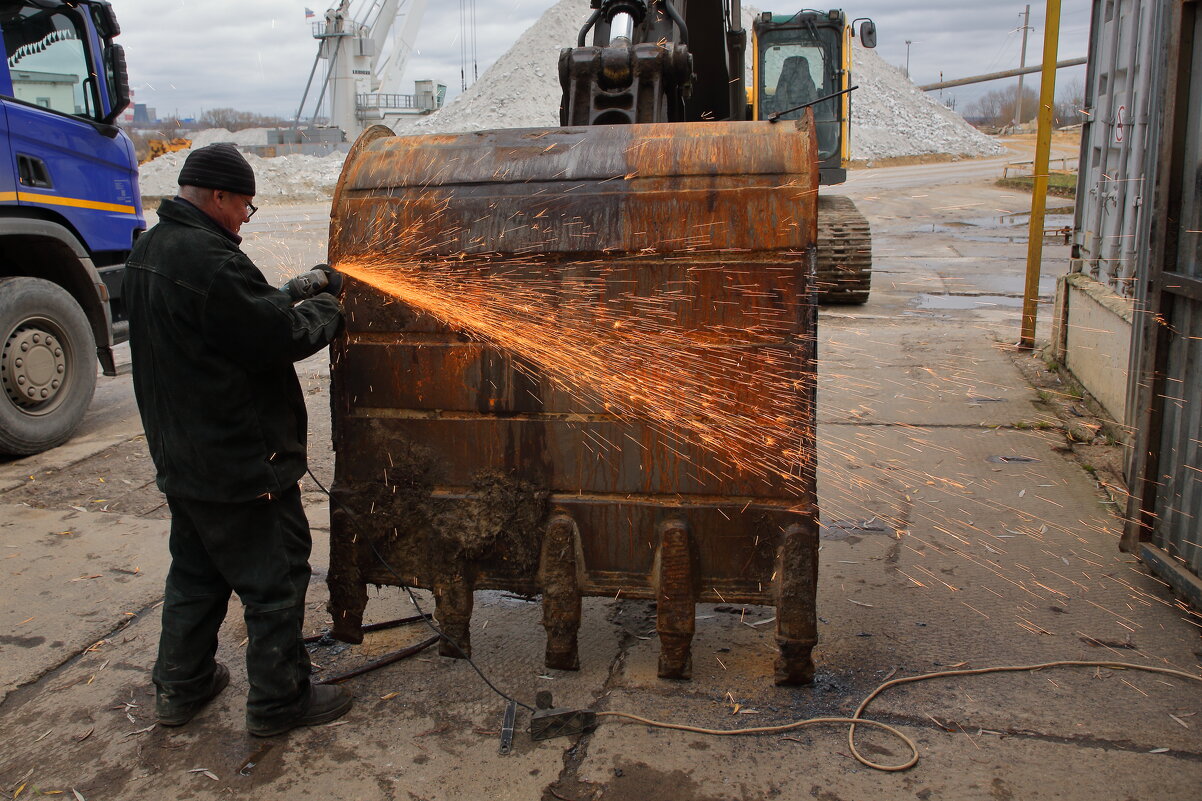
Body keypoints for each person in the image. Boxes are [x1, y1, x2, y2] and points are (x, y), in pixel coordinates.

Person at [124, 143, 350, 737]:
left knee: (196, 575)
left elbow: (224, 320)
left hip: (184, 459)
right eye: (245, 208)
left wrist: (297, 285)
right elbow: (272, 338)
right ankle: (280, 703)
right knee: (275, 578)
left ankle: (181, 687)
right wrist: (328, 308)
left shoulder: (151, 248)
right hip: (241, 464)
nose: (245, 220)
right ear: (219, 196)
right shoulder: (212, 261)